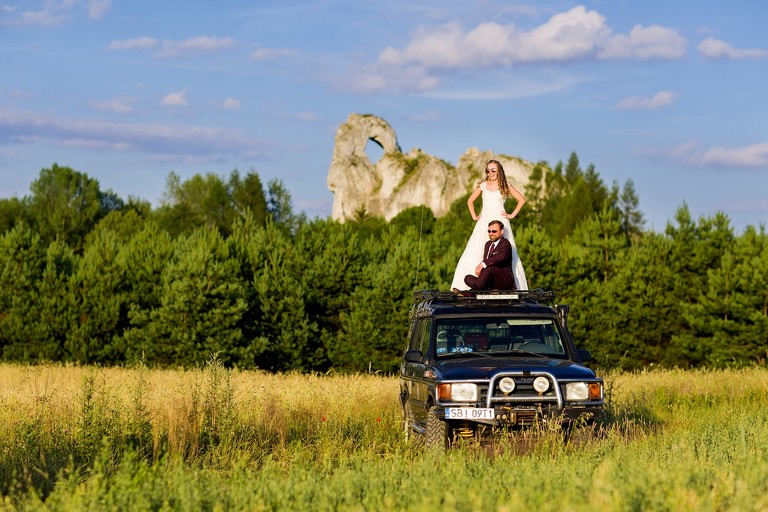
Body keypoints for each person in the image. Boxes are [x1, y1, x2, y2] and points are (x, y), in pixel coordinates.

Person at [450, 159, 528, 291]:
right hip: (484, 221)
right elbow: (470, 201)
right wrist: (474, 216)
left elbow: (522, 199)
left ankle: (500, 283)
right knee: (477, 249)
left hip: (500, 220)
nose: (490, 172)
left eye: (493, 170)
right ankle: (473, 285)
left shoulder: (505, 185)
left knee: (503, 252)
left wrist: (512, 215)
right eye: (488, 170)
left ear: (499, 171)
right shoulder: (483, 185)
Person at [463, 220, 516, 290]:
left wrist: (483, 264)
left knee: (489, 268)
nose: (491, 233)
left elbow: (501, 257)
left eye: (494, 231)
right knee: (467, 278)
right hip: (489, 281)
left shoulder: (505, 244)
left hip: (503, 280)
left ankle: (471, 292)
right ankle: (482, 288)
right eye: (489, 231)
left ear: (502, 231)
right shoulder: (488, 244)